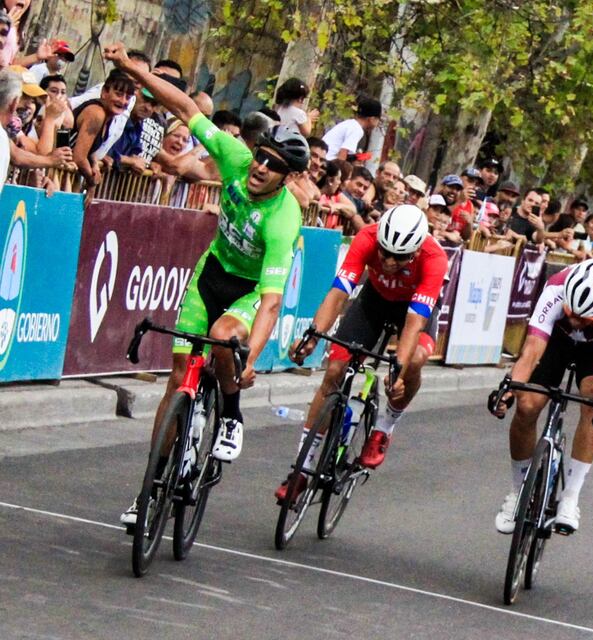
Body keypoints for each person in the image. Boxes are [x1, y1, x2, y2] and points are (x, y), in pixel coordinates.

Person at [104, 43, 310, 525]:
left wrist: (250, 361)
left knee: (222, 340)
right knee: (178, 379)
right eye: (262, 157)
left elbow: (274, 300)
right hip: (212, 272)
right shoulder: (235, 157)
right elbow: (182, 106)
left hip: (251, 289)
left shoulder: (284, 219)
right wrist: (133, 72)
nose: (261, 168)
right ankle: (147, 490)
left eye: (274, 166)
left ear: (287, 177)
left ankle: (232, 413)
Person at [280, 205, 448, 500]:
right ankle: (302, 470)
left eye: (401, 257)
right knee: (334, 371)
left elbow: (413, 323)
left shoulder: (435, 259)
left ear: (417, 251)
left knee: (415, 362)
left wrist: (398, 368)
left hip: (412, 310)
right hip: (374, 300)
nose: (390, 261)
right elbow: (338, 293)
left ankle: (384, 427)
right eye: (385, 253)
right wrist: (312, 338)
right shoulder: (367, 237)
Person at [491, 258, 593, 534]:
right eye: (571, 312)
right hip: (556, 341)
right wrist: (509, 389)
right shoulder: (556, 289)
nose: (576, 322)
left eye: (585, 318)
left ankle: (570, 497)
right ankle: (518, 492)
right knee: (527, 404)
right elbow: (531, 352)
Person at [69, 68, 135, 185]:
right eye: (118, 94)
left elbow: (87, 149)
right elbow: (79, 157)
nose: (123, 101)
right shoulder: (96, 113)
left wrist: (94, 162)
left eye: (128, 98)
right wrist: (92, 181)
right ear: (104, 92)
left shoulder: (108, 117)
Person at [321, 96, 381, 160]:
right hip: (326, 160)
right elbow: (343, 153)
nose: (378, 123)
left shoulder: (350, 124)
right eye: (378, 119)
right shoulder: (357, 129)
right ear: (372, 119)